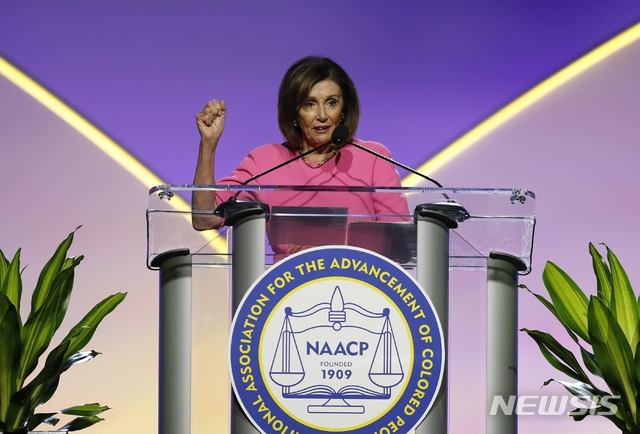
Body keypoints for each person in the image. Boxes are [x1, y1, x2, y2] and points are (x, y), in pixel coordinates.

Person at [192, 56, 410, 253]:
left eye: (331, 103)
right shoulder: (266, 162)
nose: (322, 115)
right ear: (294, 113)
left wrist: (337, 248)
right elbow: (204, 218)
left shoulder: (373, 158)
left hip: (361, 281)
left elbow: (401, 243)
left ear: (343, 110)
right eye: (310, 104)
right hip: (292, 283)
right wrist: (208, 144)